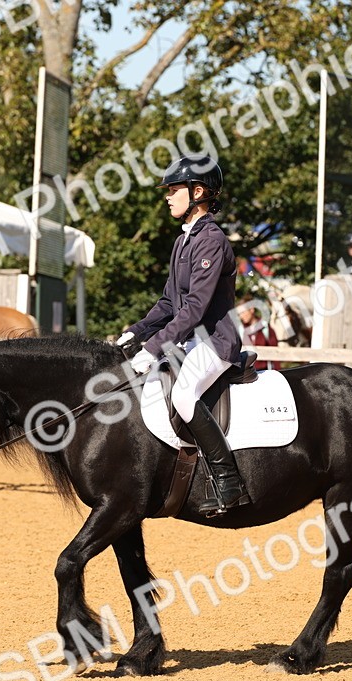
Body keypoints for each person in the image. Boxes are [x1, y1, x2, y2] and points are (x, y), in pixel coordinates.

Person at [116, 153, 251, 516]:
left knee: (185, 396)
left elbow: (195, 307)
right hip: (191, 339)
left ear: (198, 192)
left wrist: (156, 345)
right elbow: (168, 302)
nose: (168, 196)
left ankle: (229, 483)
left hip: (216, 342)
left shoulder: (211, 240)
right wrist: (135, 333)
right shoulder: (183, 241)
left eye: (174, 189)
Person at [236, 295, 281, 370]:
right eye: (239, 314)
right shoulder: (240, 330)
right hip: (246, 375)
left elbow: (275, 354)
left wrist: (278, 373)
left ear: (251, 310)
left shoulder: (265, 328)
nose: (241, 316)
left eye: (243, 312)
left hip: (265, 374)